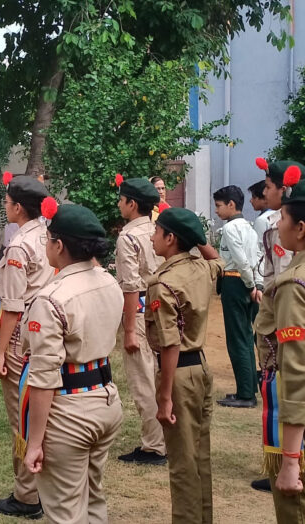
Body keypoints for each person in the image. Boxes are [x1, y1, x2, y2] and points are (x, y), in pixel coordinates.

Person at [21, 199, 124, 523]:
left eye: (48, 239)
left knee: (65, 512)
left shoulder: (52, 298)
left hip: (70, 410)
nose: (46, 246)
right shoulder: (109, 282)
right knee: (94, 501)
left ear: (59, 244)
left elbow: (43, 377)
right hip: (105, 398)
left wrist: (34, 442)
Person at [145, 207, 223, 524]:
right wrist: (198, 239)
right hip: (201, 367)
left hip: (178, 373)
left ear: (170, 237)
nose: (152, 237)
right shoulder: (201, 269)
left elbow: (170, 343)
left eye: (157, 231)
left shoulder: (163, 284)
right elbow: (217, 259)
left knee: (181, 463)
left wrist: (164, 397)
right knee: (198, 456)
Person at [0, 172, 55, 519]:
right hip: (47, 334)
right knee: (42, 414)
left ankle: (27, 495)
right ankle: (44, 485)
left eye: (7, 202)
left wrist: (1, 352)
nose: (6, 207)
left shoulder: (19, 244)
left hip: (22, 341)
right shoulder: (49, 235)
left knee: (23, 418)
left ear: (18, 207)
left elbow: (12, 306)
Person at [251, 158, 304, 492]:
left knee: (285, 388)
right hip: (279, 310)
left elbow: (283, 277)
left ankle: (288, 463)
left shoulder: (275, 227)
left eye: (269, 186)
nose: (265, 192)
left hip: (284, 318)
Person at [114, 176, 167, 465]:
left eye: (122, 200)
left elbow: (131, 286)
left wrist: (130, 330)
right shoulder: (160, 230)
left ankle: (154, 445)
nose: (119, 205)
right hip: (165, 309)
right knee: (164, 375)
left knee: (144, 379)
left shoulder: (128, 237)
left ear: (132, 204)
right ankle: (167, 436)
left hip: (141, 309)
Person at [213, 185, 261, 408]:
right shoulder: (249, 228)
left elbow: (241, 260)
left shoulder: (231, 228)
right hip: (247, 282)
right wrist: (254, 285)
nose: (217, 211)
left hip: (236, 281)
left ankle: (245, 394)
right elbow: (256, 257)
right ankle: (249, 387)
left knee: (237, 339)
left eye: (219, 206)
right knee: (246, 336)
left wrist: (250, 283)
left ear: (231, 205)